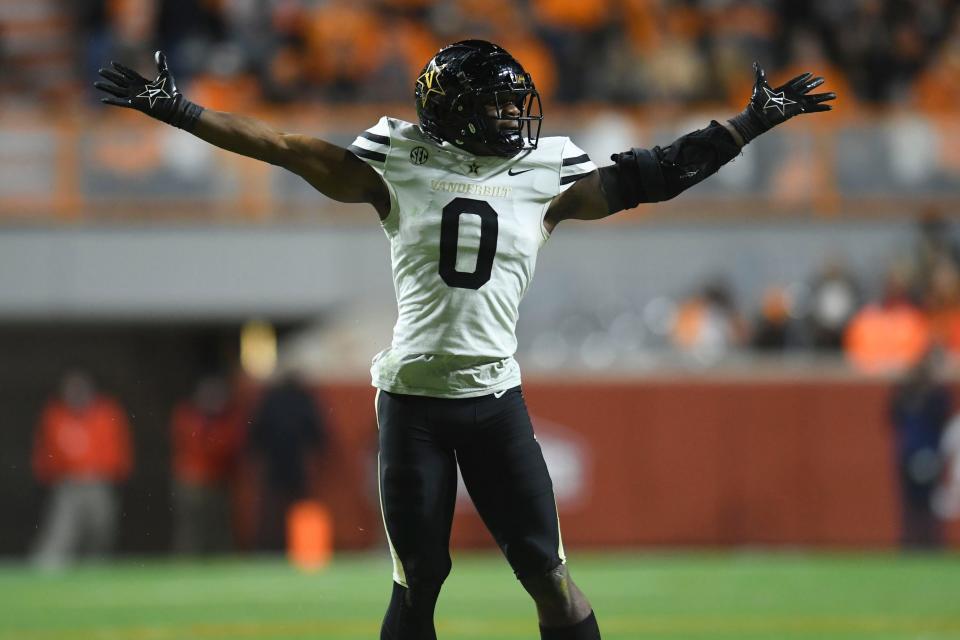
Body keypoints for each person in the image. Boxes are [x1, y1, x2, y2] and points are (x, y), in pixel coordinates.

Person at [95, 40, 834, 640]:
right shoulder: (397, 165)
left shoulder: (542, 174)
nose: (514, 117)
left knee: (546, 574)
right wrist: (183, 111)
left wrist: (748, 125)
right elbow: (286, 147)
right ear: (452, 110)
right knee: (419, 584)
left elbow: (653, 175)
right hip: (412, 405)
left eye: (515, 103)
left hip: (494, 402)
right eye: (496, 104)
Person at [31, 370, 133, 569]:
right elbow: (45, 450)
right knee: (62, 529)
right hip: (68, 483)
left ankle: (95, 569)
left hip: (99, 482)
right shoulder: (55, 416)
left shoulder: (107, 413)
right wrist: (49, 474)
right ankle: (48, 569)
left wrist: (115, 472)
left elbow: (119, 446)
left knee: (101, 528)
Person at [247, 372, 327, 552]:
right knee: (299, 506)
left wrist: (255, 454)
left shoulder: (270, 399)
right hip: (297, 460)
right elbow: (317, 431)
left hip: (274, 460)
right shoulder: (303, 399)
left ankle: (268, 547)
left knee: (272, 509)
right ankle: (301, 546)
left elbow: (256, 431)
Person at [170, 375, 246, 555]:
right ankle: (187, 564)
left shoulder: (227, 420)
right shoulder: (188, 417)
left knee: (219, 526)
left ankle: (220, 563)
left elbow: (231, 446)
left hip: (217, 480)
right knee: (191, 528)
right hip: (192, 480)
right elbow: (196, 446)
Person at [889, 350, 951, 549]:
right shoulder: (936, 393)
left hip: (907, 450)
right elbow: (942, 418)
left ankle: (912, 540)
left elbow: (892, 417)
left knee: (912, 502)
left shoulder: (904, 390)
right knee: (926, 500)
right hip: (926, 449)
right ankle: (928, 542)